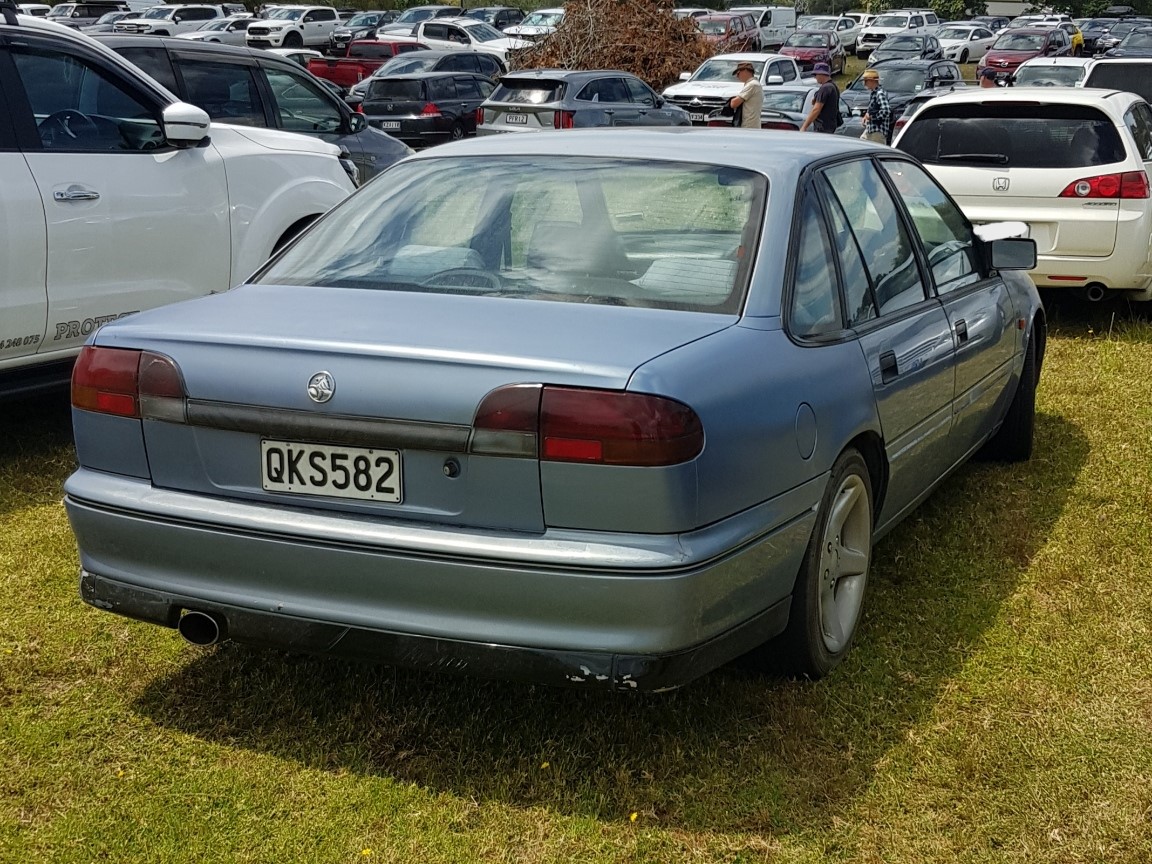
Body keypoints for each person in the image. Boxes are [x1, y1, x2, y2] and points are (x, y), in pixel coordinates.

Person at [800, 63, 840, 133]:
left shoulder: (825, 88)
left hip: (822, 128)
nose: (815, 77)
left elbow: (816, 109)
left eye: (815, 75)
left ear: (821, 74)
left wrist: (804, 127)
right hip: (830, 126)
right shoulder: (833, 87)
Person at [859, 68, 893, 144]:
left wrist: (872, 117)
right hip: (871, 130)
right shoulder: (874, 93)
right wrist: (866, 116)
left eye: (866, 81)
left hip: (878, 132)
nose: (864, 84)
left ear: (872, 81)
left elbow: (886, 110)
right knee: (861, 143)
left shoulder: (880, 93)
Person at [729, 61, 763, 129]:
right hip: (751, 126)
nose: (737, 76)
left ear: (745, 70)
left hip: (749, 127)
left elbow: (733, 104)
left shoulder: (752, 85)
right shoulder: (754, 84)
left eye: (738, 73)